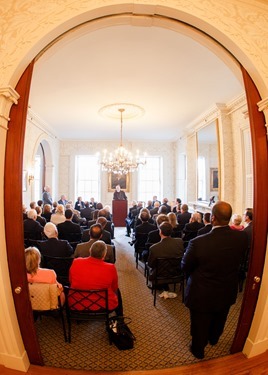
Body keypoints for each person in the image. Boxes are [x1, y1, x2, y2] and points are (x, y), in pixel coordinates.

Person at [181, 201, 248, 359]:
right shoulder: (242, 237)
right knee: (221, 316)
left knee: (200, 322)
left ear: (213, 218)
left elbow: (185, 266)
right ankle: (214, 339)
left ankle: (198, 349)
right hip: (227, 288)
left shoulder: (198, 243)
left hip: (202, 290)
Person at [69, 240, 123, 315]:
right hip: (104, 305)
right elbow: (114, 288)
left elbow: (71, 281)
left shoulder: (76, 262)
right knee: (118, 291)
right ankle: (120, 319)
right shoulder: (110, 268)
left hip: (77, 303)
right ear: (104, 255)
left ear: (90, 250)